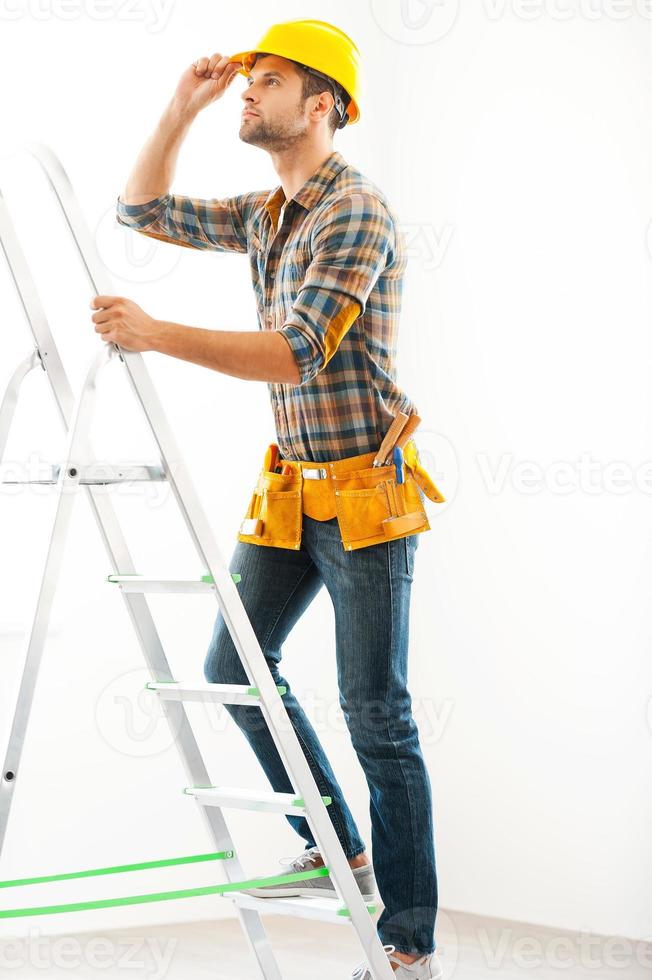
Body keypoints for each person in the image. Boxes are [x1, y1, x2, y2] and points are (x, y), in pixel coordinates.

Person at [94, 19, 441, 979]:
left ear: (323, 103)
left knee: (377, 713)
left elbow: (296, 349)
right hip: (291, 491)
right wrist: (184, 104)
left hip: (367, 496)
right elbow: (141, 210)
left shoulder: (354, 212)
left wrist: (157, 332)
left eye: (270, 80)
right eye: (248, 82)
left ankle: (408, 935)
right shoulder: (267, 212)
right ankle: (338, 841)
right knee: (236, 668)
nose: (251, 92)